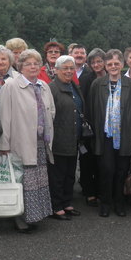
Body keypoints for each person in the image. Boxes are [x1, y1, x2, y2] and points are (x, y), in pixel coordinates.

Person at [0, 49, 55, 229]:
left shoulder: (44, 85)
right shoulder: (10, 86)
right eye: (28, 64)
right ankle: (21, 218)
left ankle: (36, 215)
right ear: (20, 67)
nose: (33, 67)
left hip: (40, 142)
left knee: (37, 180)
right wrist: (4, 143)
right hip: (20, 141)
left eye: (36, 63)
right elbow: (3, 117)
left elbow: (51, 110)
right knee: (23, 180)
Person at [89, 49, 131, 217]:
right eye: (110, 64)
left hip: (125, 135)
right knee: (106, 170)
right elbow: (91, 110)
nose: (113, 67)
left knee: (121, 170)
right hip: (105, 136)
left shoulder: (130, 84)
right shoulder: (98, 84)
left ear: (122, 65)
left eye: (116, 64)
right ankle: (105, 202)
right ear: (105, 65)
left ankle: (119, 202)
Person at [48, 56, 84, 220]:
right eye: (65, 68)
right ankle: (56, 206)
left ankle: (67, 202)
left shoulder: (74, 86)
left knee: (70, 174)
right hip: (58, 139)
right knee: (57, 175)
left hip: (73, 137)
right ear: (56, 70)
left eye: (71, 68)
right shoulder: (51, 88)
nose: (69, 71)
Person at [77, 47, 107, 207]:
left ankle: (102, 189)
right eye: (93, 62)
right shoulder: (86, 78)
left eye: (99, 61)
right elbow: (83, 102)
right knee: (87, 159)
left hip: (107, 124)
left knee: (103, 160)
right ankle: (89, 192)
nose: (96, 64)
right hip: (90, 124)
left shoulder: (112, 76)